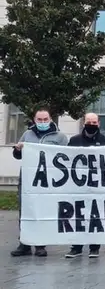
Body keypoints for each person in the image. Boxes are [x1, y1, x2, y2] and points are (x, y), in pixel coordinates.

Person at [10, 107, 69, 257]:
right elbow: (18, 156)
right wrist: (18, 149)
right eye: (39, 120)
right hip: (28, 180)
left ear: (50, 120)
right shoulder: (27, 135)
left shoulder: (60, 137)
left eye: (45, 119)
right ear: (34, 120)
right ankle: (24, 243)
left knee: (43, 210)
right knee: (26, 210)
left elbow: (67, 157)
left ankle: (40, 245)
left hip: (48, 181)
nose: (42, 122)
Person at [64, 113, 105, 259]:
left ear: (99, 123)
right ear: (84, 123)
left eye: (94, 122)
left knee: (95, 215)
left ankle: (94, 247)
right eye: (89, 121)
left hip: (97, 184)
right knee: (78, 214)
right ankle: (76, 247)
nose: (91, 124)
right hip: (78, 184)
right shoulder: (74, 140)